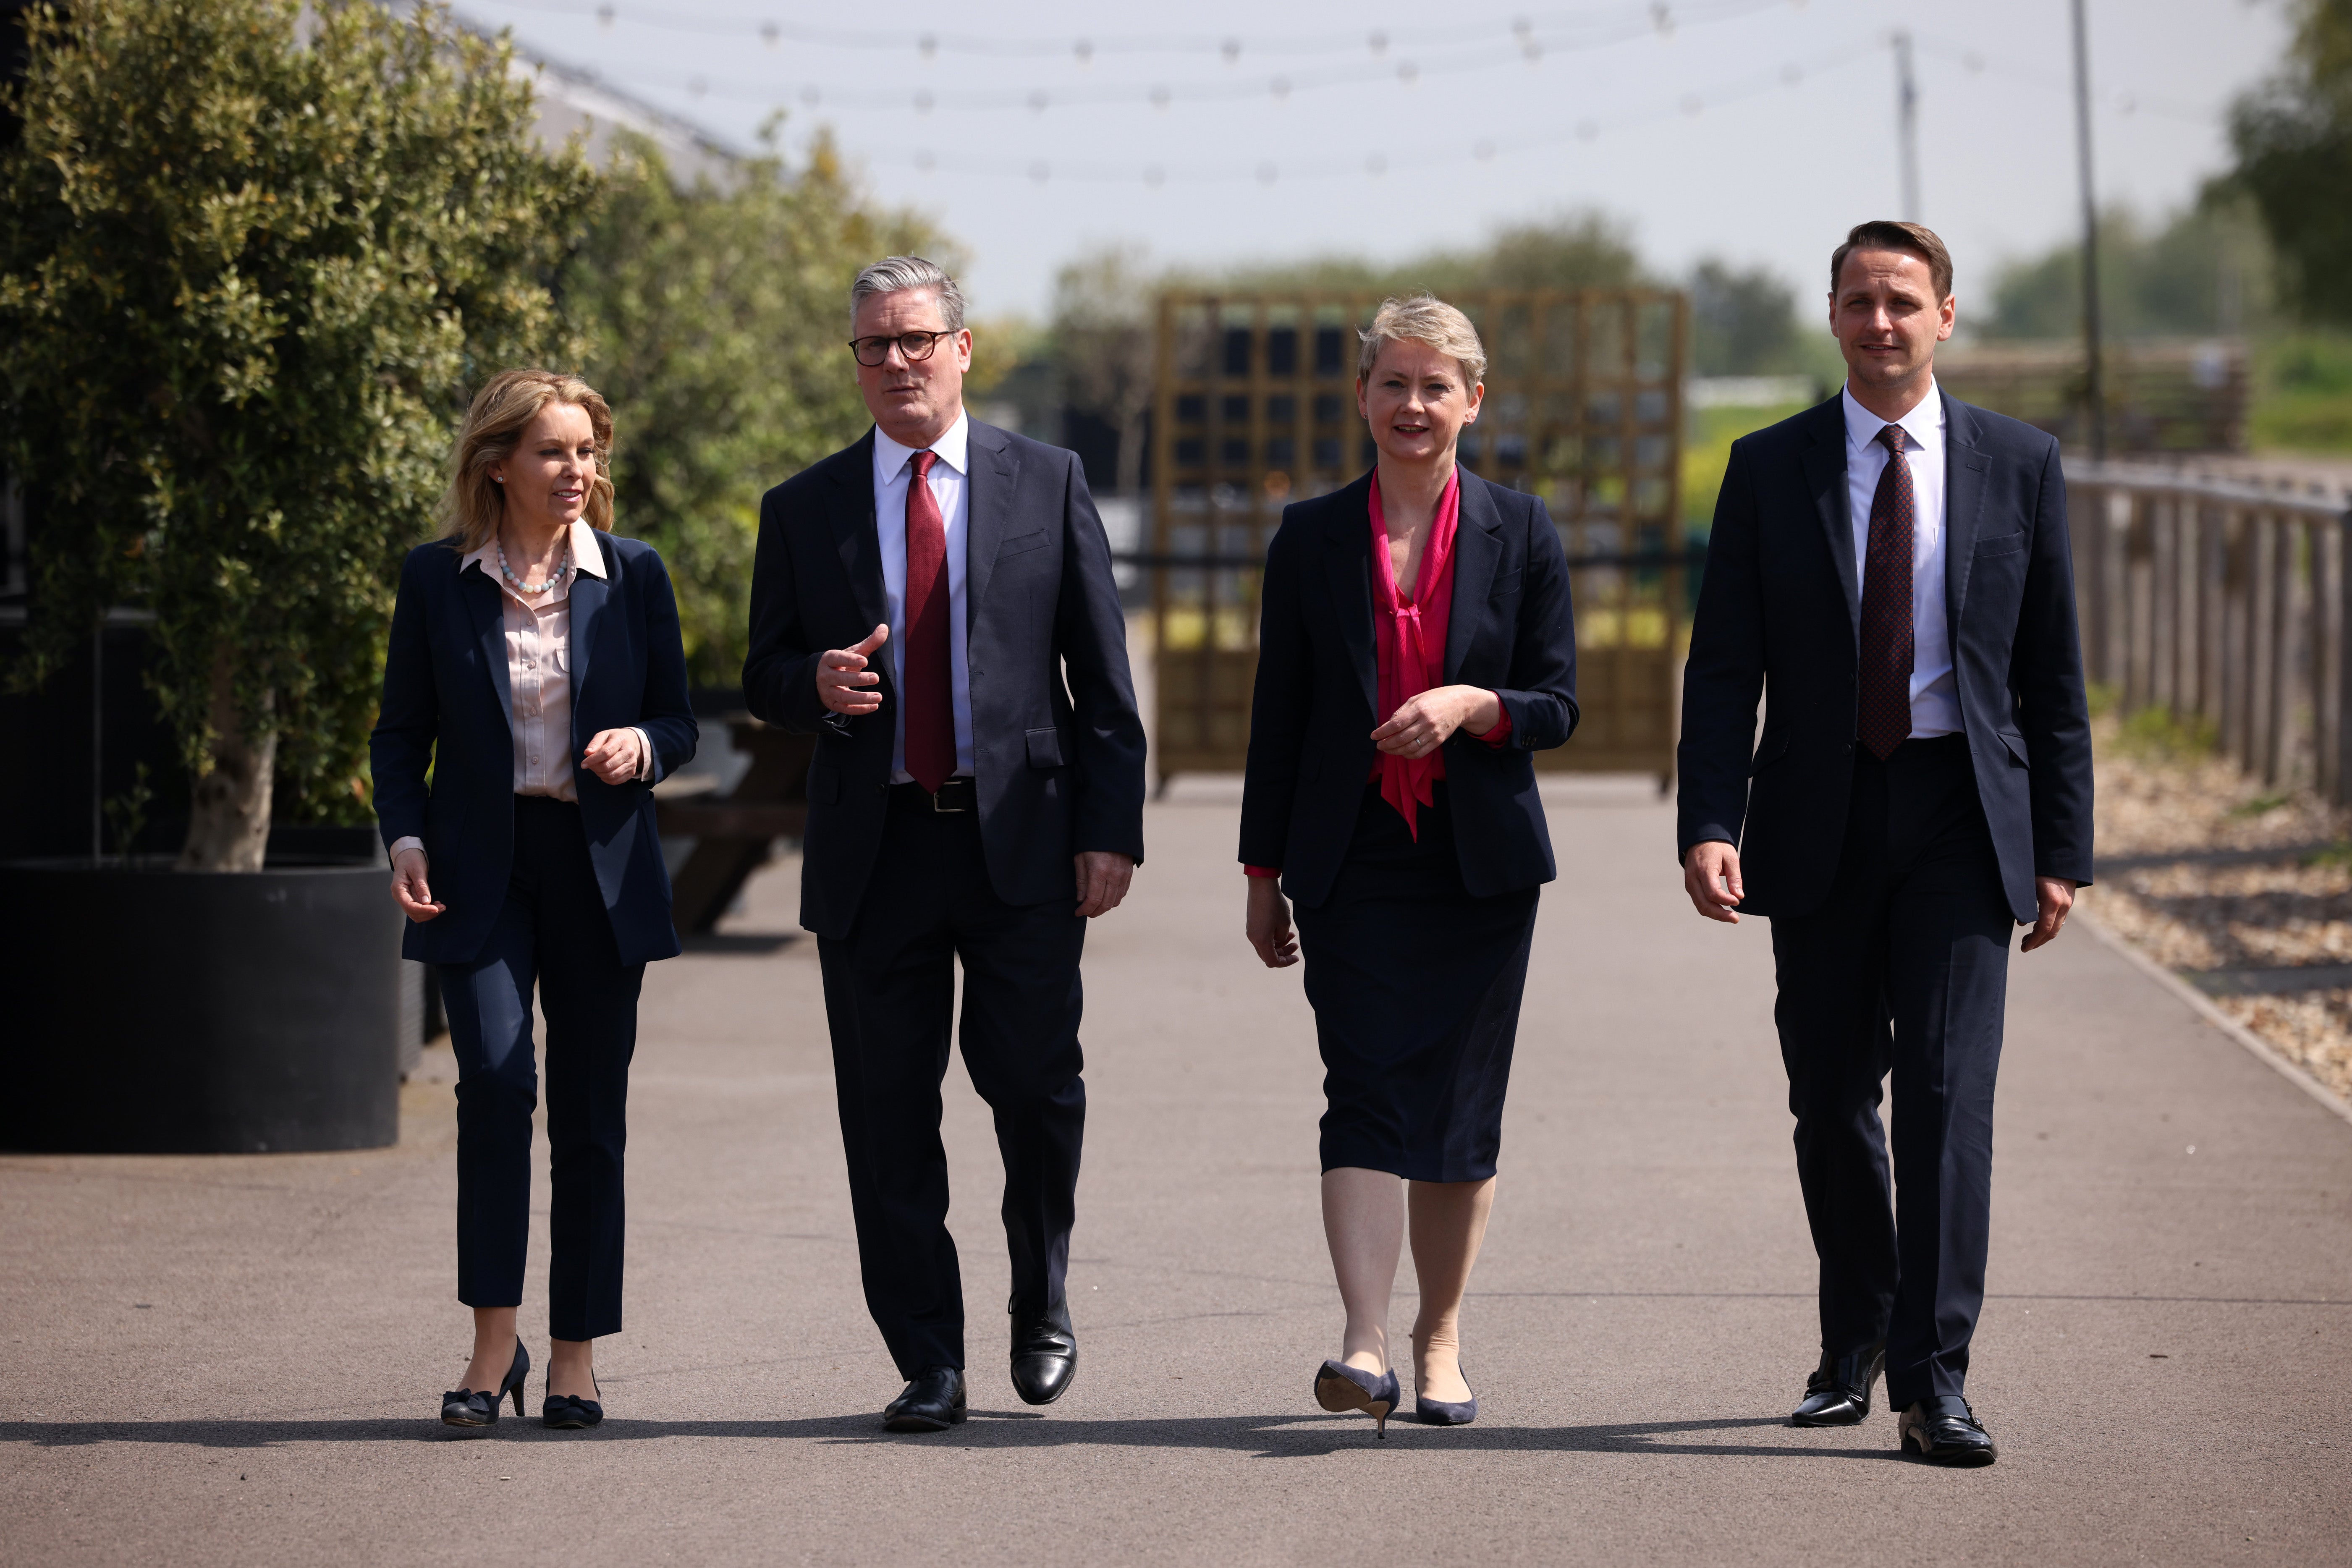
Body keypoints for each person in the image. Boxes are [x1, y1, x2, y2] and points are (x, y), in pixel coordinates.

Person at [1676, 221, 2093, 1466]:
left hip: (1965, 816)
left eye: (1903, 302)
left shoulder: (2020, 463)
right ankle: (1853, 1333)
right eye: (1859, 302)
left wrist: (2062, 847)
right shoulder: (1770, 467)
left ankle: (1935, 1379)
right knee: (1828, 1097)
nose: (1881, 323)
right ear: (1832, 315)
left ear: (1946, 317)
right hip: (1817, 815)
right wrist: (1708, 821)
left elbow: (2051, 677)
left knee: (1950, 1099)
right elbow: (1723, 668)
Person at [743, 257, 1147, 1433]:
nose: (896, 363)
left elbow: (1103, 681)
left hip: (1019, 842)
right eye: (874, 346)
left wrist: (1108, 832)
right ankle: (929, 1357)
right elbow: (763, 670)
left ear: (964, 350)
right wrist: (809, 683)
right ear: (855, 362)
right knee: (886, 1113)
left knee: (1032, 1087)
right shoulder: (804, 506)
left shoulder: (1047, 481)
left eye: (916, 340)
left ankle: (1043, 1294)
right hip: (876, 852)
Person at [1239, 295, 1579, 1434]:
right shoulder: (1310, 537)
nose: (1414, 406)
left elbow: (1558, 704)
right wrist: (1259, 874)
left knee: (1459, 1112)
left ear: (1472, 402)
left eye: (1437, 387)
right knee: (1363, 1091)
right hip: (1349, 865)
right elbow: (1275, 717)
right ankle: (1363, 1341)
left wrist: (1475, 703)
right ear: (1363, 397)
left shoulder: (1523, 532)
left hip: (1478, 869)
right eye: (1395, 384)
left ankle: (1439, 1340)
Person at [372, 369, 697, 1431]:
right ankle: (490, 1345)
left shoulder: (635, 575)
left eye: (588, 452)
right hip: (480, 870)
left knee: (591, 1115)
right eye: (555, 451)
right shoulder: (435, 580)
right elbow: (397, 732)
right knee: (498, 1086)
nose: (578, 471)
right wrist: (405, 835)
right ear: (498, 462)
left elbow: (680, 723)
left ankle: (574, 1357)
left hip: (598, 867)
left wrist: (641, 745)